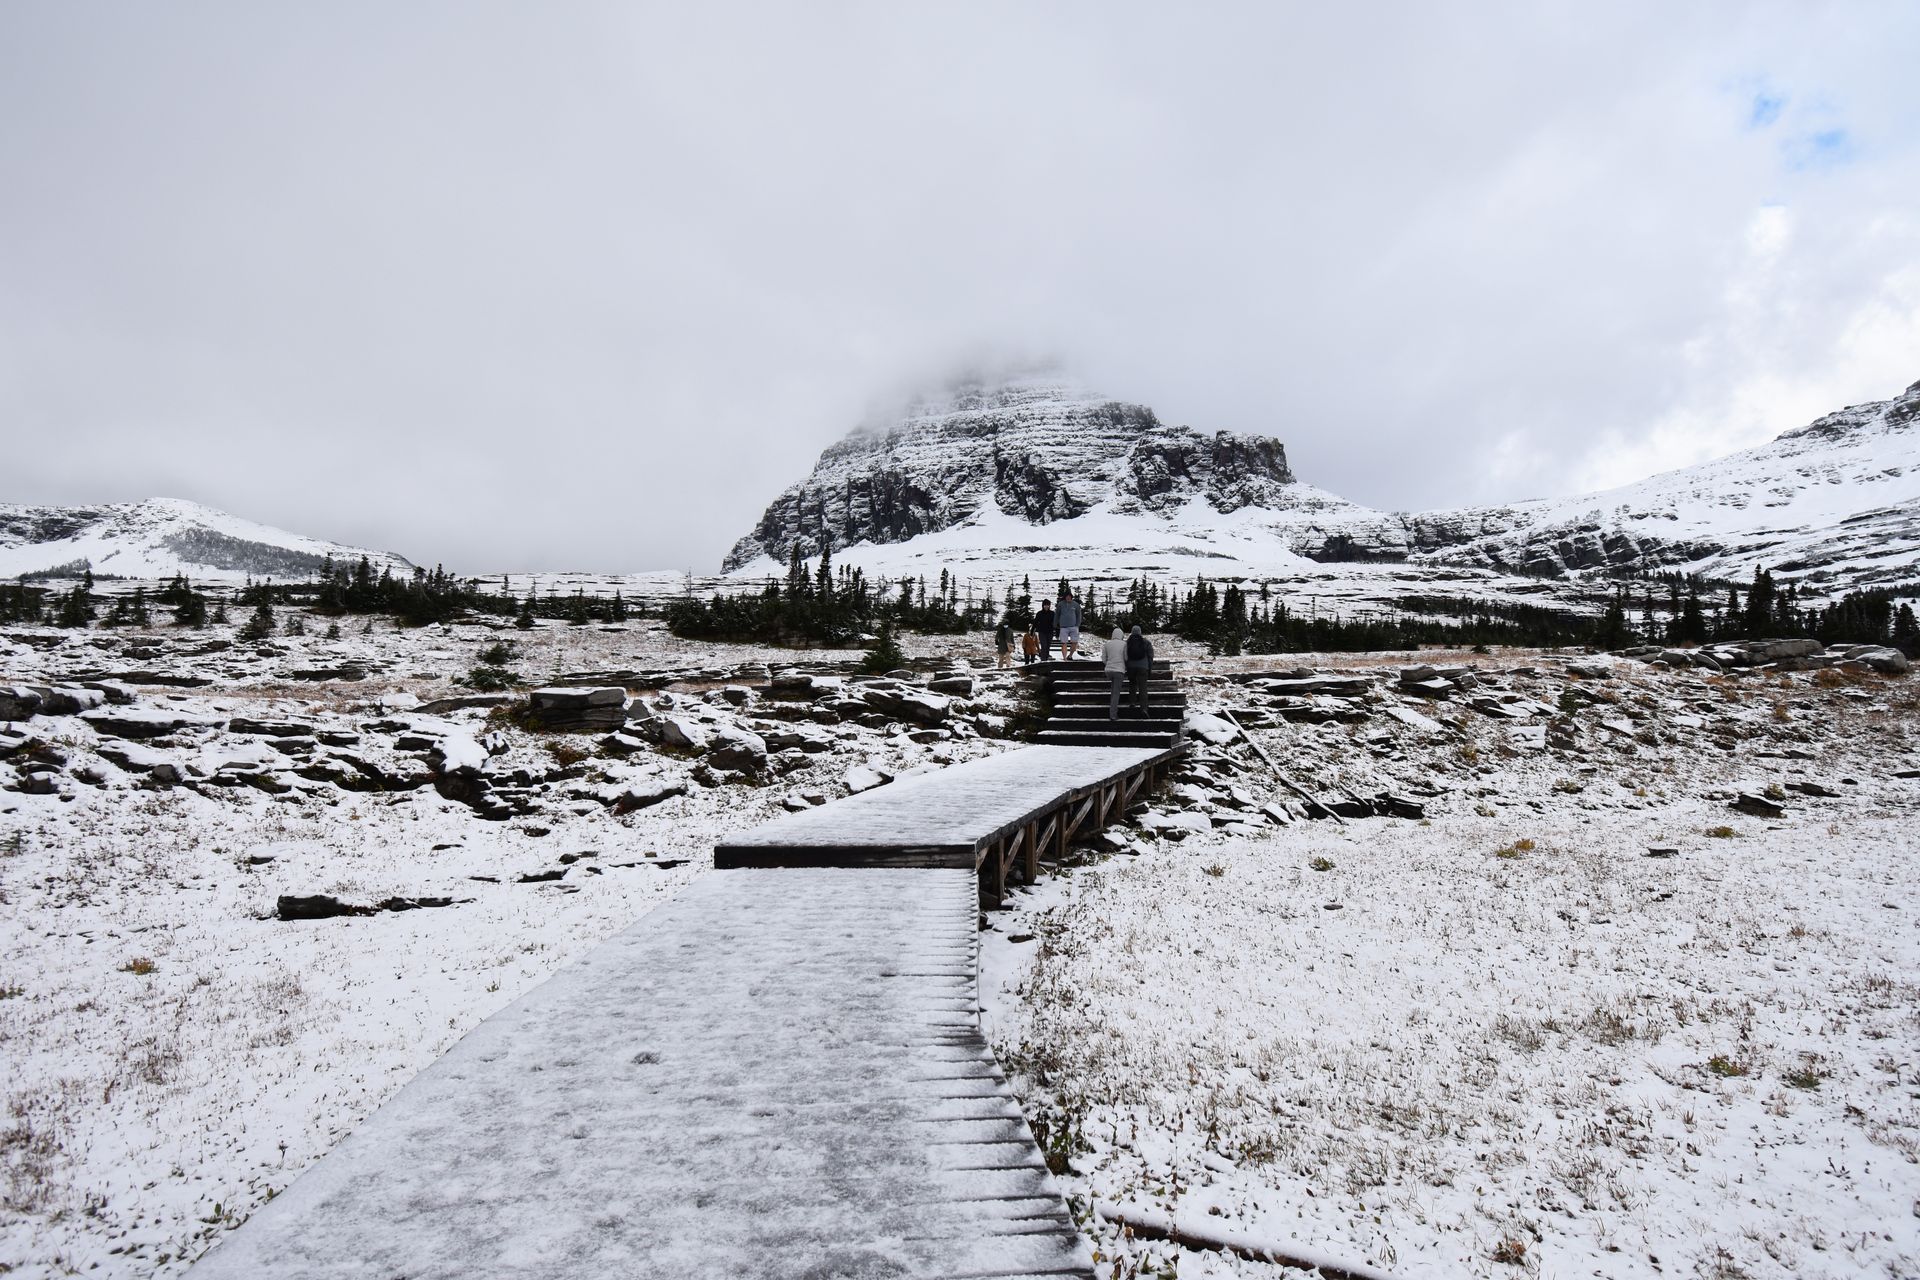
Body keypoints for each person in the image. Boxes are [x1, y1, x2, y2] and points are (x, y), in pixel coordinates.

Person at [1125, 624, 1155, 717]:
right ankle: (1144, 708)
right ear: (1140, 632)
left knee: (1132, 685)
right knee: (1143, 688)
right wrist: (1149, 669)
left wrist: (1127, 666)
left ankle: (1132, 702)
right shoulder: (1146, 642)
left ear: (1132, 632)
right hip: (1143, 667)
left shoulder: (1128, 642)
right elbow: (1150, 657)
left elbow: (1124, 655)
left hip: (1131, 667)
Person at [1101, 626, 1128, 719]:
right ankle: (1113, 714)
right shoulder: (1124, 644)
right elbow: (1126, 658)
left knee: (1113, 691)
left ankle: (1112, 709)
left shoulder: (1107, 644)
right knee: (1116, 693)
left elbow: (1103, 659)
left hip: (1108, 670)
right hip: (1119, 670)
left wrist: (1109, 664)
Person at [1056, 591, 1082, 659]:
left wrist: (1078, 624)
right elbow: (1057, 614)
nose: (1068, 598)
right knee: (1064, 643)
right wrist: (1055, 623)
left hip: (1074, 626)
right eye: (1067, 597)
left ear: (1071, 597)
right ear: (1065, 597)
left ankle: (1070, 655)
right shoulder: (1060, 604)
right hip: (1063, 627)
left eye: (1069, 597)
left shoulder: (1076, 605)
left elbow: (1078, 615)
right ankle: (1064, 658)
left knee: (1075, 642)